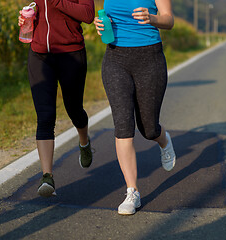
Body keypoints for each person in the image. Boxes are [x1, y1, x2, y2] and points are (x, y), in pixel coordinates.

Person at [94, 0, 176, 215]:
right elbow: (106, 15)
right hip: (115, 58)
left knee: (148, 129)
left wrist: (153, 18)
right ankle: (132, 192)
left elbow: (169, 19)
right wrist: (99, 23)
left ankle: (163, 139)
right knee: (123, 124)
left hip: (150, 58)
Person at [18, 0, 95, 197]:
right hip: (39, 54)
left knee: (74, 109)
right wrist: (27, 17)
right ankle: (47, 176)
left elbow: (87, 15)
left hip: (71, 53)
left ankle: (84, 142)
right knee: (45, 116)